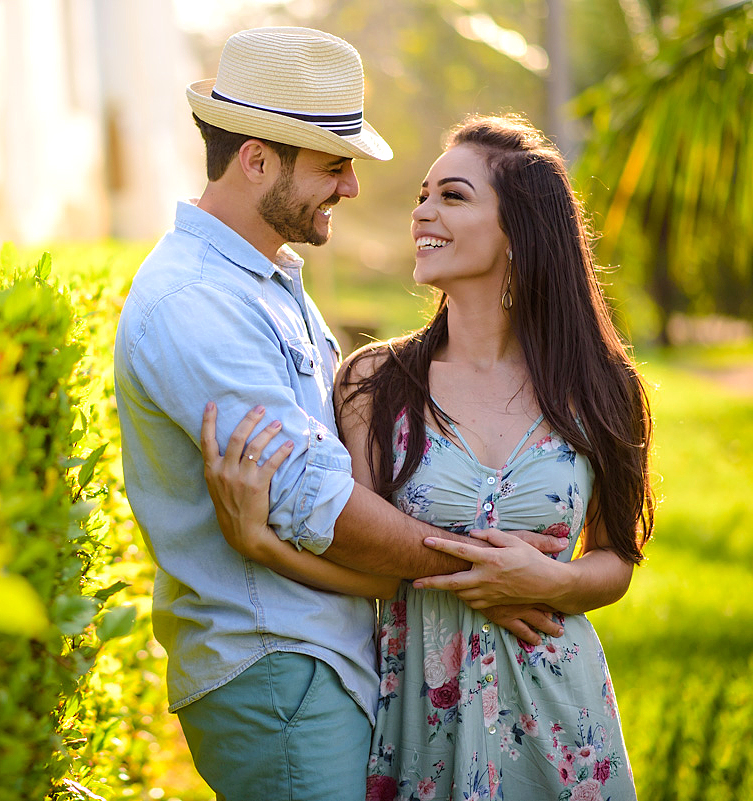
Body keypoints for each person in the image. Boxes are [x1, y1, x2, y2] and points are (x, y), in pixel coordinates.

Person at [114, 27, 568, 800]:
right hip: (279, 670)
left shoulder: (264, 281)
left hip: (322, 655)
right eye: (334, 165)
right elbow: (322, 508)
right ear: (257, 159)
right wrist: (489, 570)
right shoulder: (198, 305)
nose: (351, 188)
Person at [201, 114, 652, 800]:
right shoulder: (374, 384)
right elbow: (372, 572)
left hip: (563, 721)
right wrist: (258, 541)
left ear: (519, 230)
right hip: (425, 721)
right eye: (422, 194)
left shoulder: (599, 385)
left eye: (454, 196)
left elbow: (616, 559)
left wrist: (546, 581)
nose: (423, 212)